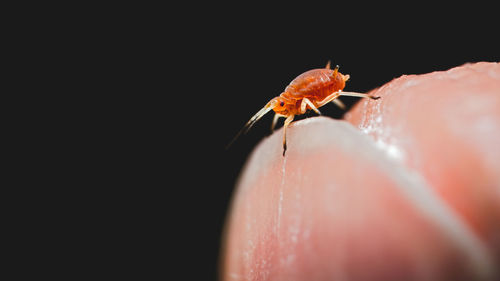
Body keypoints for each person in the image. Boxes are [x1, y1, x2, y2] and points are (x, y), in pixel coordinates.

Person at [220, 62, 500, 280]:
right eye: (278, 109)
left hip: (327, 83)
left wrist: (322, 103)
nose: (280, 112)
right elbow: (288, 118)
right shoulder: (289, 105)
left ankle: (366, 97)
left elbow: (309, 104)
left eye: (280, 108)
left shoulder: (300, 100)